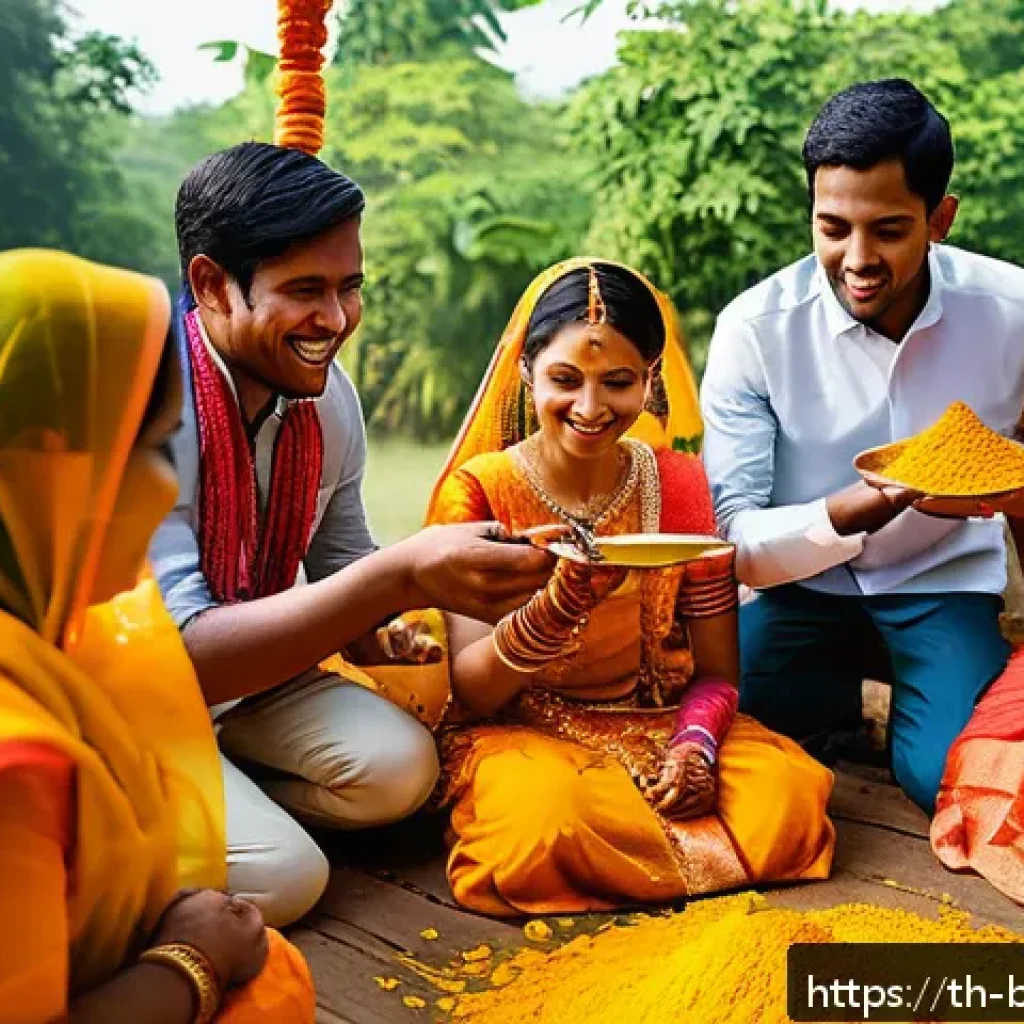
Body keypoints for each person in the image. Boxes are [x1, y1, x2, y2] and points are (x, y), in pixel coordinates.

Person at [152, 141, 554, 926]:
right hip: (124, 697)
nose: (335, 322)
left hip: (252, 686)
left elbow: (342, 560)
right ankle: (123, 817)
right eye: (305, 290)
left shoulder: (327, 398)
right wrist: (403, 576)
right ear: (211, 285)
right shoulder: (146, 405)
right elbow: (181, 657)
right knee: (286, 878)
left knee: (401, 772)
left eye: (349, 288)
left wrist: (396, 629)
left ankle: (220, 791)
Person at [424, 259, 835, 917]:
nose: (590, 408)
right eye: (564, 380)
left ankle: (634, 860)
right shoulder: (477, 492)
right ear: (526, 370)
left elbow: (720, 673)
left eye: (617, 382)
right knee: (539, 827)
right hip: (528, 732)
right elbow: (472, 689)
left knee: (788, 804)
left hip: (659, 718)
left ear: (650, 381)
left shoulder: (679, 484)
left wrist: (696, 748)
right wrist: (557, 608)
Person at [0, 249, 314, 1022]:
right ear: (51, 463)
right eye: (152, 448)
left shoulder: (55, 636)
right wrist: (192, 963)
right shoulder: (16, 761)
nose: (173, 486)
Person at [700, 78, 1024, 815]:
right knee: (727, 752)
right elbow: (732, 537)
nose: (856, 258)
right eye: (832, 227)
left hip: (938, 580)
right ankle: (830, 700)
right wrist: (844, 515)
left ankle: (918, 694)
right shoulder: (755, 329)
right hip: (795, 588)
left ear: (939, 218)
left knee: (953, 776)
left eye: (887, 229)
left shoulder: (1012, 313)